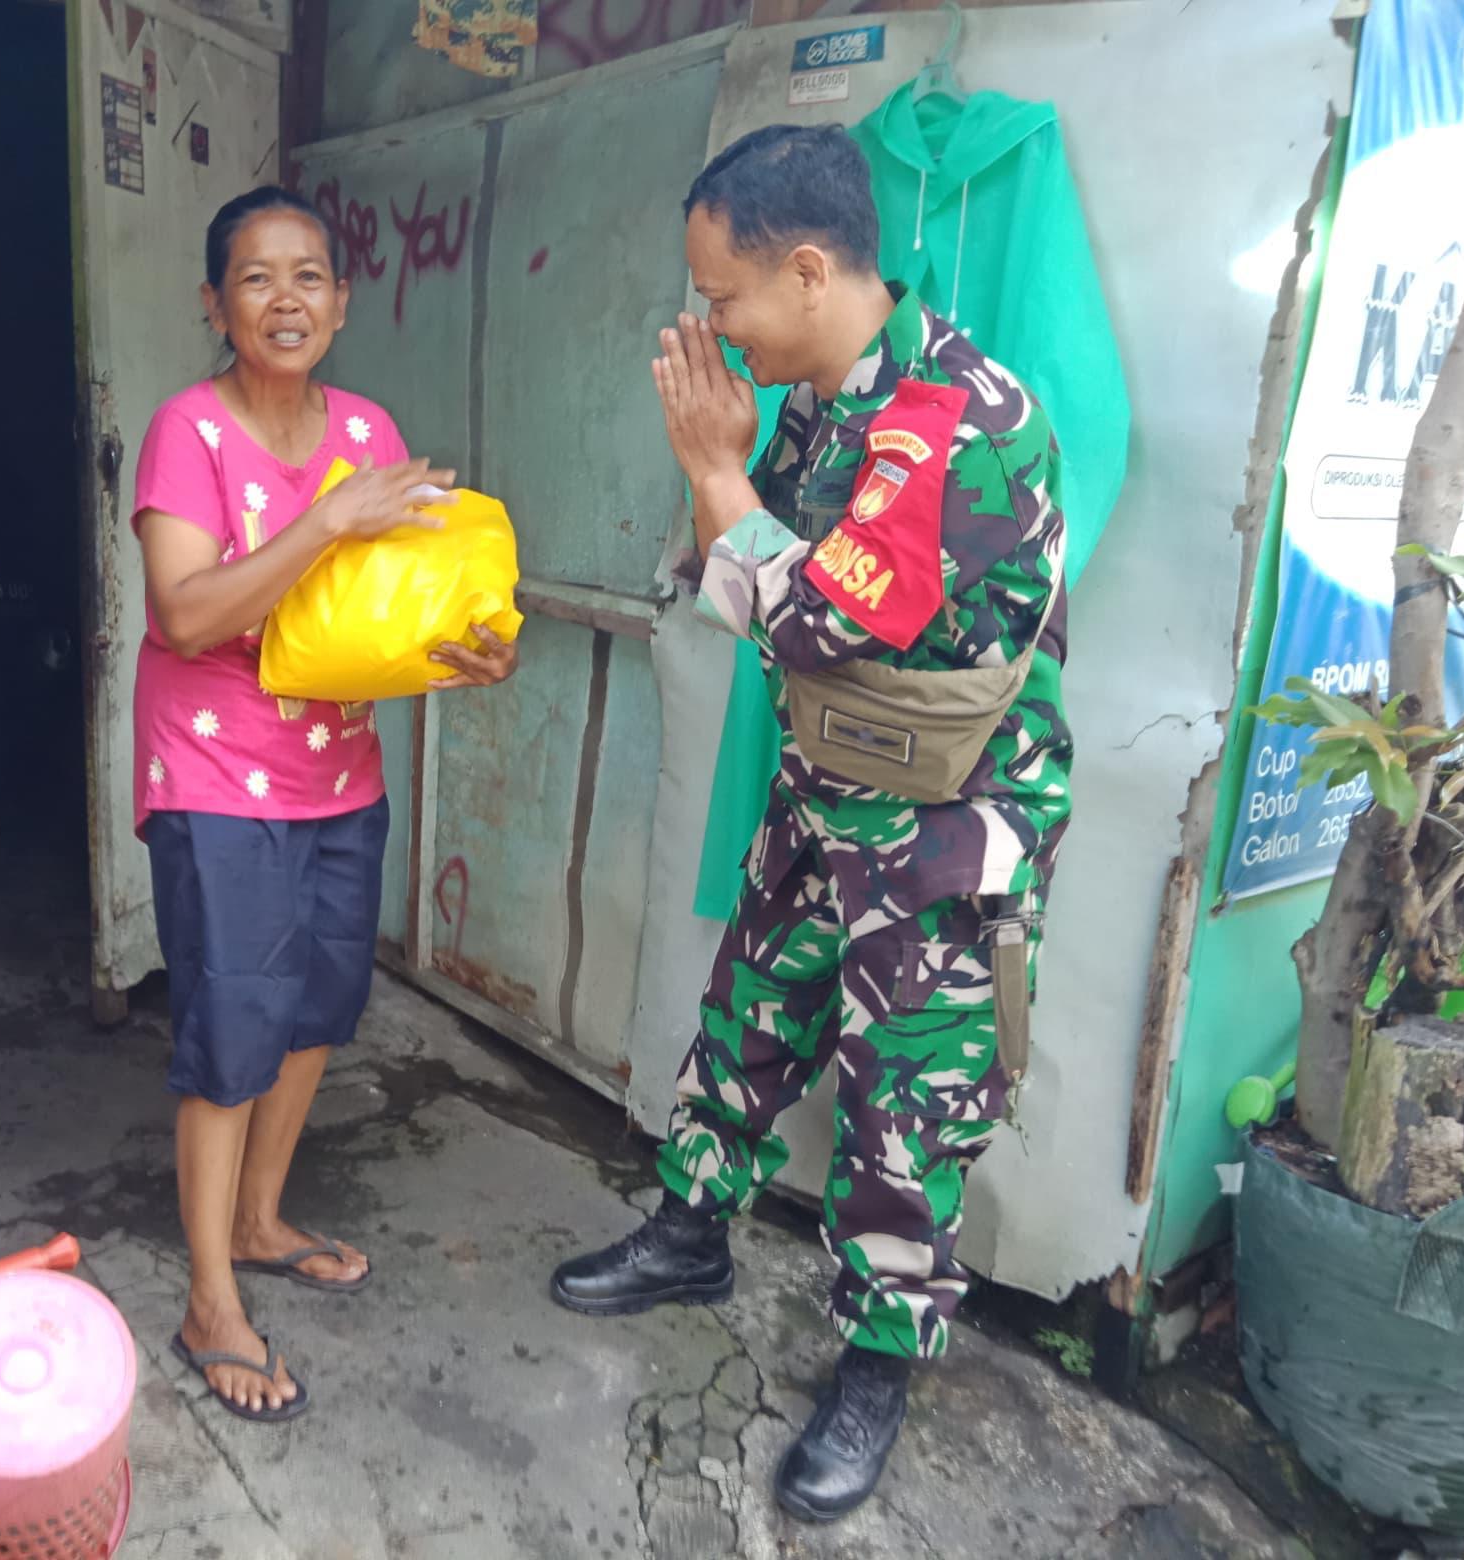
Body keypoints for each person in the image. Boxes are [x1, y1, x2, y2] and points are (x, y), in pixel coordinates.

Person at [551, 125, 1073, 1521]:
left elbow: (822, 622)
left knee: (904, 1110)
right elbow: (736, 581)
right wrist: (729, 476)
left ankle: (878, 1365)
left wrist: (715, 468)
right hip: (827, 790)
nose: (710, 324)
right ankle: (689, 1232)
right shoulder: (827, 405)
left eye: (722, 297)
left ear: (803, 270)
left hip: (944, 831)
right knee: (746, 1024)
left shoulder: (950, 420)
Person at [133, 185, 517, 1422]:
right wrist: (328, 518)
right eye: (256, 278)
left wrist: (467, 648)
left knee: (314, 1011)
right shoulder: (187, 431)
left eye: (308, 277)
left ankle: (258, 1220)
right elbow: (185, 614)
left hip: (338, 774)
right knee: (231, 1029)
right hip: (213, 772)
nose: (285, 299)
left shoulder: (367, 427)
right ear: (215, 304)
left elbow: (387, 610)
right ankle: (208, 1300)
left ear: (342, 303)